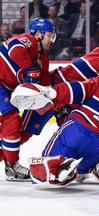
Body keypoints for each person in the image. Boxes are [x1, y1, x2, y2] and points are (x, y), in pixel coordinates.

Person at [20, 39, 99, 146]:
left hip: (64, 99)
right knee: (23, 133)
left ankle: (93, 160)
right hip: (52, 93)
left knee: (80, 129)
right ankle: (8, 157)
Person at [0, 18, 56, 181]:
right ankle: (11, 167)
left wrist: (53, 105)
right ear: (38, 34)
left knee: (17, 129)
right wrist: (28, 69)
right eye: (49, 36)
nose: (51, 40)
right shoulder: (28, 40)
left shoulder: (43, 59)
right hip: (2, 84)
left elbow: (44, 86)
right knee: (12, 119)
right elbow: (14, 50)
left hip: (7, 89)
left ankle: (8, 160)